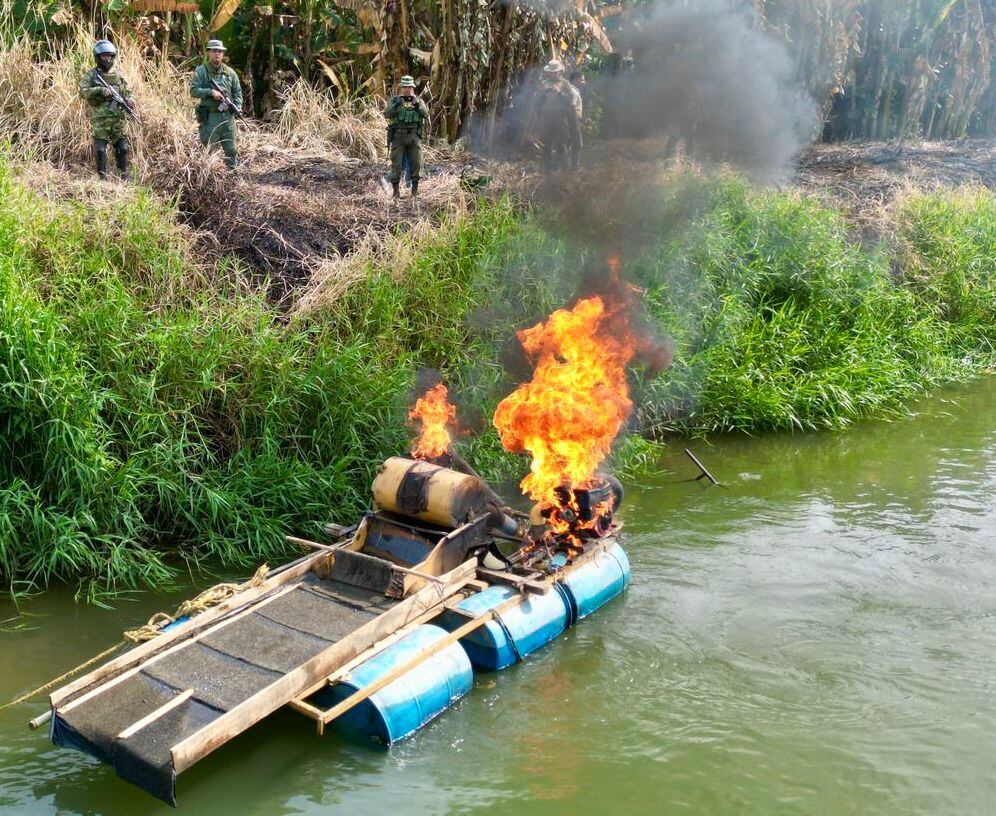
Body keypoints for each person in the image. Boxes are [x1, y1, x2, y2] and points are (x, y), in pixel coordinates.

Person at [78, 40, 133, 180]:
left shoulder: (119, 75)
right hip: (100, 118)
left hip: (118, 117)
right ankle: (102, 177)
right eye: (104, 56)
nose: (107, 59)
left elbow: (127, 91)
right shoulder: (91, 75)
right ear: (98, 57)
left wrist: (131, 100)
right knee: (100, 149)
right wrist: (100, 90)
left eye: (110, 56)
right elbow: (83, 92)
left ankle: (123, 175)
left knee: (122, 147)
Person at [189, 39, 243, 170]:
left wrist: (237, 107)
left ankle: (233, 176)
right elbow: (193, 91)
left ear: (223, 54)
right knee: (209, 149)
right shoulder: (201, 71)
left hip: (228, 116)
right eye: (214, 51)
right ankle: (208, 177)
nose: (217, 54)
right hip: (211, 117)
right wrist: (210, 92)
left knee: (232, 150)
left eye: (219, 51)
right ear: (208, 53)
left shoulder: (230, 73)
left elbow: (238, 93)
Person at [531, 59, 583, 171]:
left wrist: (560, 94)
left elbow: (571, 100)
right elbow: (536, 103)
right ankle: (548, 168)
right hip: (545, 120)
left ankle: (561, 168)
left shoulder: (565, 84)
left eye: (555, 72)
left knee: (561, 144)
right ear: (548, 72)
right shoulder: (543, 85)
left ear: (560, 72)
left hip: (560, 120)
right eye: (551, 72)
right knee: (547, 145)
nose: (553, 73)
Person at [384, 75, 429, 198]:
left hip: (414, 136)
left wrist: (417, 105)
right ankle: (396, 191)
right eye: (405, 87)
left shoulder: (419, 101)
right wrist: (396, 105)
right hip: (399, 136)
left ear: (413, 88)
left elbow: (426, 114)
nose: (407, 89)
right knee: (396, 164)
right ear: (401, 88)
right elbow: (387, 114)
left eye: (409, 87)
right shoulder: (395, 100)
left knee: (416, 163)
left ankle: (414, 190)